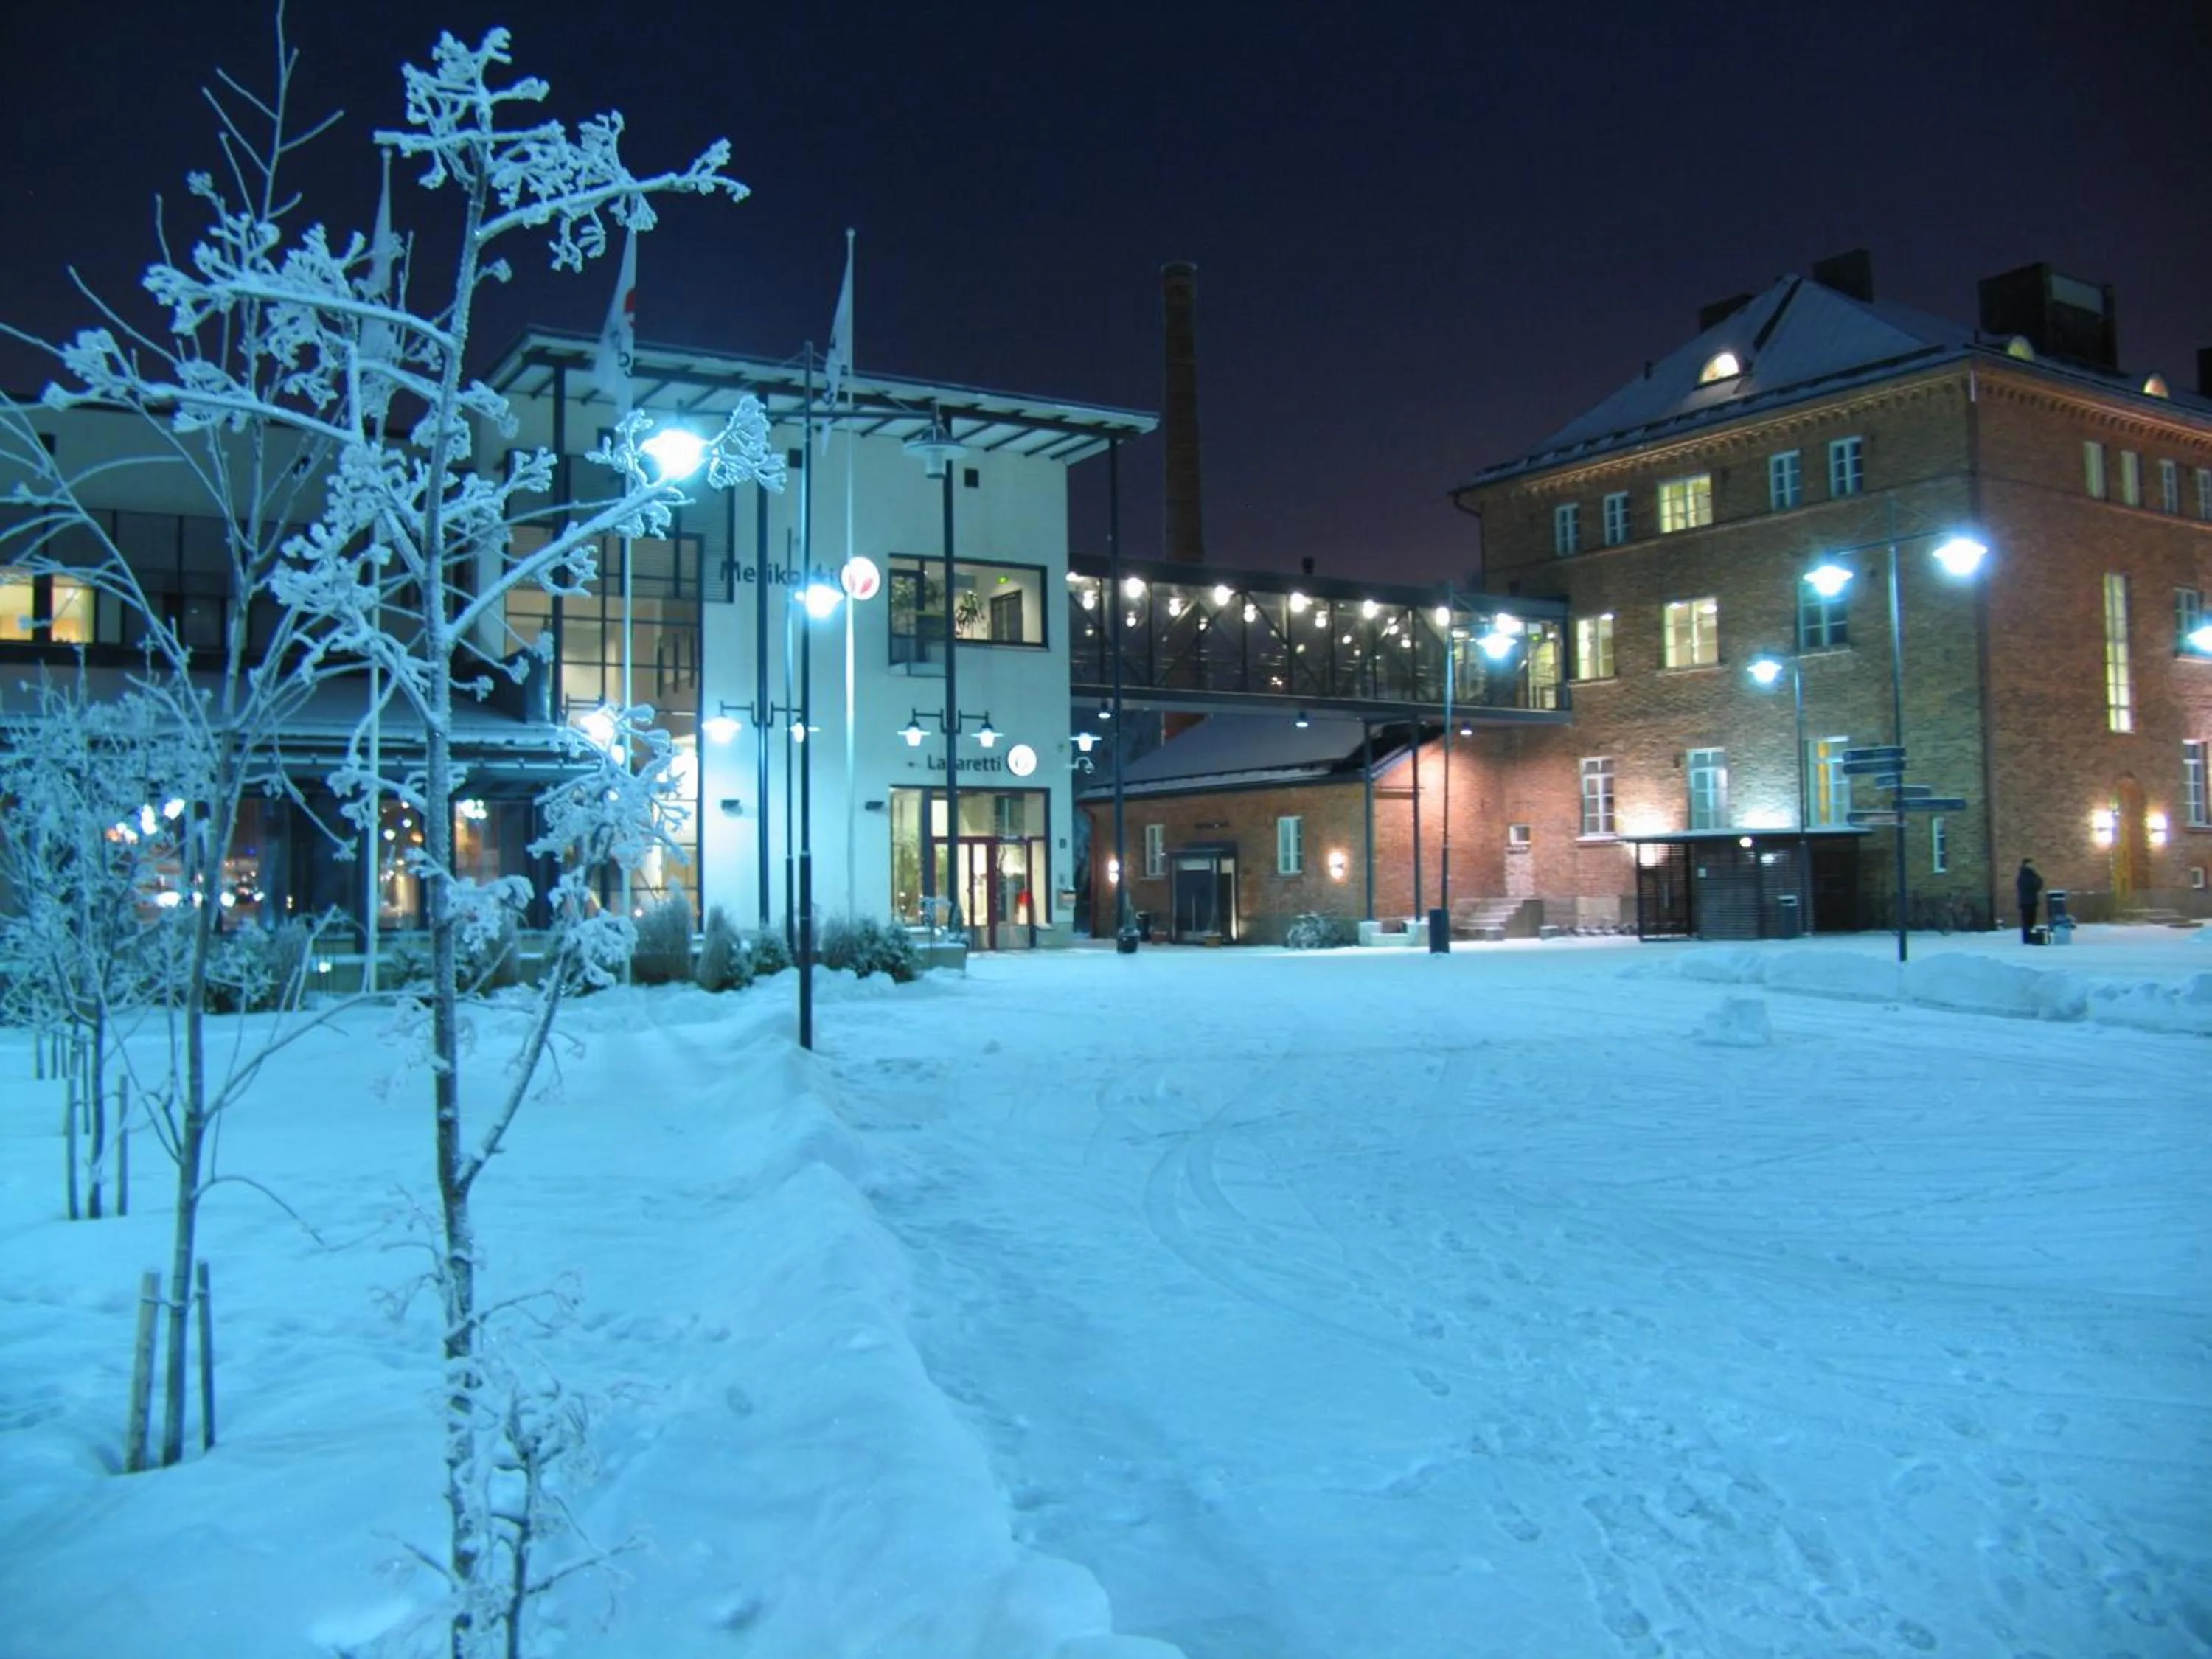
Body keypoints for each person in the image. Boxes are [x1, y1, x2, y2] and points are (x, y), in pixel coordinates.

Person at [2017, 857, 2045, 943]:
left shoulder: (2030, 874)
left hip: (2030, 900)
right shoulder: (2025, 875)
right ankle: (2027, 938)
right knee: (2027, 920)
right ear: (2027, 865)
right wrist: (2038, 881)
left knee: (2031, 920)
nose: (2033, 866)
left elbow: (2038, 885)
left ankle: (2030, 937)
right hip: (2027, 900)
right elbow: (2031, 887)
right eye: (2031, 864)